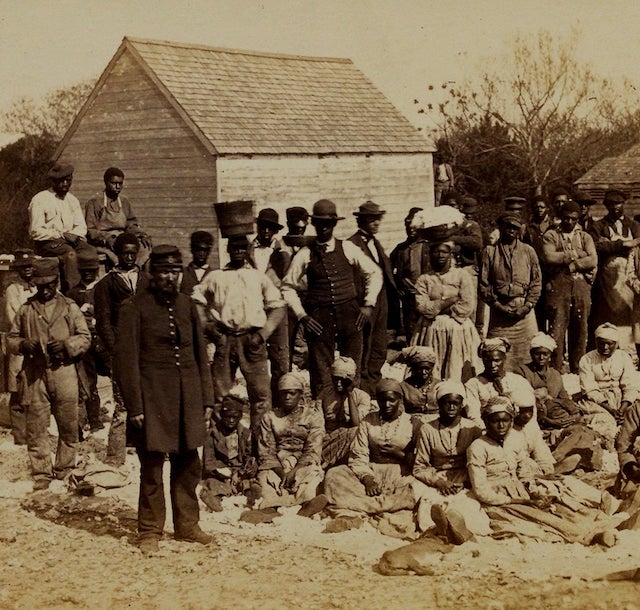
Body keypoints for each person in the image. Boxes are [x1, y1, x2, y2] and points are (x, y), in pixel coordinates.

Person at [115, 245, 215, 554]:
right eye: (163, 272)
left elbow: (200, 355)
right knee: (152, 467)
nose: (169, 277)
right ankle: (149, 531)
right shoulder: (133, 308)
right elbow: (125, 361)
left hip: (187, 396)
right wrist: (135, 405)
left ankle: (187, 525)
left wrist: (207, 400)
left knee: (188, 464)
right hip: (152, 397)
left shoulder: (187, 306)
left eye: (174, 271)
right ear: (152, 274)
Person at [467, 396, 622, 546]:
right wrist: (517, 500)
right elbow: (481, 490)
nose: (501, 426)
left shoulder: (513, 440)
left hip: (520, 491)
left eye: (505, 420)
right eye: (495, 421)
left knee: (562, 508)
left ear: (511, 421)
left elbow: (523, 470)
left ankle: (600, 526)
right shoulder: (478, 447)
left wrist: (533, 490)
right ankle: (587, 538)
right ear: (486, 422)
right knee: (544, 521)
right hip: (499, 500)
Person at [281, 199, 382, 399]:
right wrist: (302, 316)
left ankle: (352, 413)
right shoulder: (305, 253)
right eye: (319, 223)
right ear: (314, 224)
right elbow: (287, 287)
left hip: (350, 315)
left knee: (351, 366)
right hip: (319, 319)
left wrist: (368, 305)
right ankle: (324, 416)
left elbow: (374, 273)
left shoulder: (348, 248)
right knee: (321, 370)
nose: (324, 227)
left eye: (328, 223)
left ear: (334, 224)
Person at [7, 258, 91, 490]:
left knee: (68, 423)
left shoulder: (69, 307)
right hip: (35, 374)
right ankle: (41, 471)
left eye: (49, 285)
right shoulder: (26, 310)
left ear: (57, 282)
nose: (45, 290)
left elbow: (85, 337)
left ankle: (65, 467)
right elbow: (11, 339)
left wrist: (67, 345)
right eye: (40, 286)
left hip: (65, 372)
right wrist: (23, 344)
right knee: (36, 424)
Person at [192, 234, 286, 439]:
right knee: (221, 393)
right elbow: (196, 300)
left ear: (247, 250)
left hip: (252, 341)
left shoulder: (258, 277)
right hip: (225, 339)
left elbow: (278, 307)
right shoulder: (216, 276)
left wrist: (263, 334)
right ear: (228, 250)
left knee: (260, 394)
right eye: (234, 248)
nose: (238, 252)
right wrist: (209, 327)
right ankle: (222, 441)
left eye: (242, 248)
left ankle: (259, 441)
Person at [324, 378, 420, 515]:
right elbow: (359, 454)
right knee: (334, 474)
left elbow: (421, 460)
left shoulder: (413, 423)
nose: (387, 404)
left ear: (400, 399)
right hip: (372, 471)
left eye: (392, 400)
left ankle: (359, 507)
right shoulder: (368, 420)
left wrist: (401, 455)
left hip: (401, 474)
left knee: (416, 487)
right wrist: (367, 479)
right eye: (382, 400)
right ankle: (383, 505)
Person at [94, 233, 150, 465]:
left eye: (132, 253)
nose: (128, 257)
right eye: (124, 253)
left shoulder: (147, 280)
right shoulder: (106, 284)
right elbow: (104, 322)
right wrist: (115, 352)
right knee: (123, 403)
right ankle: (115, 456)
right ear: (117, 254)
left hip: (148, 350)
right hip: (123, 352)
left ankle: (154, 446)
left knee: (151, 398)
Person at [412, 380, 486, 541]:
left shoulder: (472, 429)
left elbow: (480, 462)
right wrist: (438, 482)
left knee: (469, 505)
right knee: (429, 503)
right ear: (439, 404)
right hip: (437, 477)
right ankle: (441, 528)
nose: (452, 407)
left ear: (462, 405)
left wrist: (466, 481)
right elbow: (419, 467)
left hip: (466, 476)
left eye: (456, 403)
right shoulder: (427, 429)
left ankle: (459, 531)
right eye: (447, 403)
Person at [412, 236, 481, 382]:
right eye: (436, 252)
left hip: (458, 329)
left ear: (450, 255)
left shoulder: (462, 275)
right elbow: (423, 307)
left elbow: (467, 305)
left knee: (456, 367)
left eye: (444, 252)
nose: (440, 255)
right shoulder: (424, 279)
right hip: (431, 329)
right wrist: (450, 301)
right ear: (430, 255)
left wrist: (438, 306)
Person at [256, 373, 327, 517]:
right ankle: (271, 508)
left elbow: (313, 448)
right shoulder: (269, 417)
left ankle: (306, 506)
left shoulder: (313, 416)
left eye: (292, 393)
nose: (287, 397)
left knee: (311, 479)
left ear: (300, 394)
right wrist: (282, 473)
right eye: (283, 394)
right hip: (278, 464)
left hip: (303, 463)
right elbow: (266, 450)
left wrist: (294, 471)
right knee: (266, 481)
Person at [479, 212, 542, 370]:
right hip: (499, 313)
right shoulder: (489, 252)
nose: (511, 230)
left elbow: (536, 282)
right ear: (500, 227)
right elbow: (484, 285)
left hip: (524, 314)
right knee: (496, 355)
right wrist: (499, 307)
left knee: (528, 357)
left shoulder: (528, 251)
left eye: (515, 227)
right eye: (507, 226)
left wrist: (527, 306)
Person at [349, 201, 398, 394]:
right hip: (365, 301)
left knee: (379, 344)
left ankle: (374, 382)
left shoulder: (376, 243)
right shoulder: (353, 244)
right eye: (371, 219)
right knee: (365, 342)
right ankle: (362, 388)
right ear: (361, 220)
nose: (376, 223)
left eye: (378, 219)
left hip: (382, 300)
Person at [541, 201, 597, 372]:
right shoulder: (551, 235)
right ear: (560, 217)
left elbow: (593, 260)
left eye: (574, 219)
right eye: (566, 218)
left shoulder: (584, 237)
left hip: (580, 287)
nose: (570, 222)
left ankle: (578, 368)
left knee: (580, 329)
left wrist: (573, 264)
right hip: (558, 286)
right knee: (557, 329)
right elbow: (549, 256)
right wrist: (575, 254)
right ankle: (555, 370)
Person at [248, 208, 291, 397]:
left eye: (271, 228)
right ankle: (260, 399)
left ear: (276, 231)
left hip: (277, 310)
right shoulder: (247, 250)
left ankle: (281, 400)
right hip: (254, 310)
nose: (266, 231)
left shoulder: (283, 252)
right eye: (263, 227)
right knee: (255, 355)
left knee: (280, 356)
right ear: (258, 227)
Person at [28, 163, 90, 291]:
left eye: (68, 180)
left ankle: (88, 291)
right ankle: (73, 292)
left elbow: (81, 227)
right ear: (53, 181)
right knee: (70, 255)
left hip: (69, 240)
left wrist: (73, 235)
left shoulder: (72, 200)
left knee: (90, 252)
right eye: (62, 181)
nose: (65, 184)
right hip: (46, 243)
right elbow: (35, 231)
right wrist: (62, 234)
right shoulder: (40, 199)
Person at [589, 189, 640, 341]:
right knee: (612, 313)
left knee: (631, 313)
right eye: (611, 204)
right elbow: (596, 246)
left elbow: (638, 244)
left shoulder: (634, 225)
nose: (615, 207)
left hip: (630, 274)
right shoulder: (599, 226)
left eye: (618, 203)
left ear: (623, 204)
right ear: (606, 206)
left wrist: (609, 244)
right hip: (608, 278)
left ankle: (631, 351)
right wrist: (623, 244)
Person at [66, 246, 107, 432]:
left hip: (104, 341)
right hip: (86, 344)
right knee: (88, 381)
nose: (89, 274)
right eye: (85, 271)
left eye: (92, 271)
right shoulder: (73, 294)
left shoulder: (104, 289)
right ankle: (93, 420)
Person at [578, 323, 638, 440]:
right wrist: (610, 409)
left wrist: (622, 408)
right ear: (596, 342)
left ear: (616, 344)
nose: (605, 347)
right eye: (601, 343)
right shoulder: (587, 359)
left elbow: (630, 385)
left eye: (609, 344)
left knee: (633, 417)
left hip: (622, 400)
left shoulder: (624, 357)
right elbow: (590, 389)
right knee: (605, 422)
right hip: (598, 402)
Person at [84, 167, 151, 269]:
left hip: (123, 238)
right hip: (104, 242)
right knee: (119, 257)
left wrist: (141, 235)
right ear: (106, 183)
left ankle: (136, 274)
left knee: (145, 248)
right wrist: (107, 239)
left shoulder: (124, 201)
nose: (117, 186)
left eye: (120, 183)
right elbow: (91, 229)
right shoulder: (95, 202)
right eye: (114, 183)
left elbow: (131, 223)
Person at [200, 395, 257, 512]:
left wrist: (243, 472)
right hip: (220, 473)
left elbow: (249, 457)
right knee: (214, 486)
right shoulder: (212, 434)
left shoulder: (245, 434)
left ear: (240, 416)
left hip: (240, 472)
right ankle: (217, 505)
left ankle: (249, 505)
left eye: (235, 417)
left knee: (252, 486)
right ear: (221, 416)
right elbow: (208, 462)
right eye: (227, 417)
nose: (231, 420)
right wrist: (221, 471)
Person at [4, 249, 37, 444]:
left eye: (30, 267)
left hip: (36, 344)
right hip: (20, 343)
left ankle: (34, 431)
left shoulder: (38, 288)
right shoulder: (12, 290)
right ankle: (19, 434)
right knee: (17, 387)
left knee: (34, 387)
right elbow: (14, 318)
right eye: (23, 268)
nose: (27, 271)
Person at [465, 337, 537, 426]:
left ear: (504, 358)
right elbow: (473, 415)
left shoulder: (519, 381)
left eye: (497, 360)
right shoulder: (473, 384)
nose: (492, 365)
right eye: (487, 361)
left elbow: (531, 412)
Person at [320, 356, 374, 468]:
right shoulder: (325, 394)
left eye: (343, 380)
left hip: (349, 442)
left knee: (355, 432)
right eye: (335, 379)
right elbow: (317, 420)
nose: (338, 384)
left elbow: (356, 424)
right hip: (327, 440)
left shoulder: (362, 397)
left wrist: (349, 394)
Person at [390, 207, 429, 341]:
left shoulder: (429, 246)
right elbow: (389, 270)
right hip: (408, 299)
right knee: (411, 332)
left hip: (426, 297)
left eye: (414, 226)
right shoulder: (401, 249)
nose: (410, 229)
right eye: (408, 225)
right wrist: (398, 287)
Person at [397, 345, 440, 417]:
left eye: (427, 369)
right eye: (420, 369)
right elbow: (400, 409)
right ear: (413, 368)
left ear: (432, 368)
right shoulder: (403, 386)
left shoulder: (440, 385)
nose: (424, 372)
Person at [180, 230, 214, 296]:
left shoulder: (214, 275)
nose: (201, 254)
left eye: (204, 250)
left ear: (209, 251)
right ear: (192, 250)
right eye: (198, 249)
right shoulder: (182, 273)